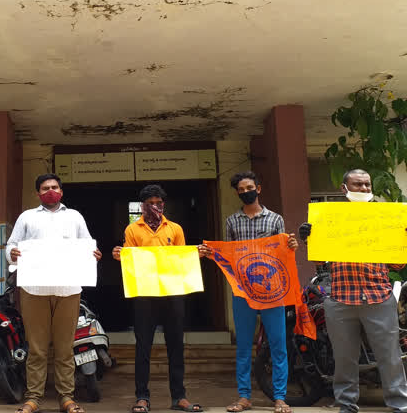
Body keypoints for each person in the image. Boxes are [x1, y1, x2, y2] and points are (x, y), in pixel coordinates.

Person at [299, 169, 407, 413]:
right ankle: (346, 403)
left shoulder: (385, 218)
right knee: (344, 357)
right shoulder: (330, 218)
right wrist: (310, 238)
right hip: (340, 297)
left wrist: (403, 242)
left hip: (378, 295)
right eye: (358, 185)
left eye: (367, 185)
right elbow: (320, 259)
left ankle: (400, 403)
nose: (364, 189)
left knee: (389, 356)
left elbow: (398, 265)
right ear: (344, 188)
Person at [198, 171, 297, 413]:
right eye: (241, 190)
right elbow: (228, 256)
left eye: (249, 187)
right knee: (243, 345)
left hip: (272, 291)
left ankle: (280, 398)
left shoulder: (275, 220)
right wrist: (213, 254)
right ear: (237, 193)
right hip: (242, 291)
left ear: (258, 189)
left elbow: (282, 254)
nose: (245, 192)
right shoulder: (232, 221)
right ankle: (244, 397)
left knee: (278, 344)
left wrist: (291, 246)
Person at [6, 173, 102, 413]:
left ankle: (66, 398)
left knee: (64, 347)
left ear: (61, 191)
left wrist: (94, 254)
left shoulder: (74, 216)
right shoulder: (27, 217)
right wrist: (13, 254)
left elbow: (88, 244)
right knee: (36, 348)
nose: (51, 190)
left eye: (55, 187)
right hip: (34, 289)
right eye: (46, 188)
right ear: (38, 193)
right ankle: (33, 398)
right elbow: (11, 245)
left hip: (68, 290)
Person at [112, 185, 204, 413]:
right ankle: (142, 397)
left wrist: (195, 254)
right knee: (143, 347)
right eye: (150, 202)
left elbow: (181, 259)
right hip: (145, 294)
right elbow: (131, 260)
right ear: (143, 205)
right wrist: (120, 256)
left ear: (164, 203)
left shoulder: (175, 228)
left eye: (159, 202)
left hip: (173, 293)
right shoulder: (133, 229)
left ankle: (180, 397)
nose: (155, 206)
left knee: (176, 346)